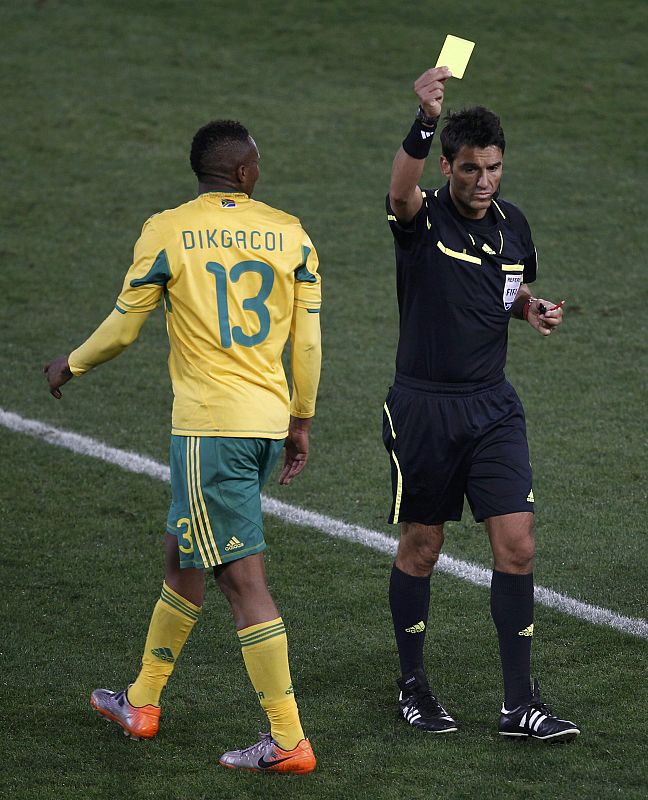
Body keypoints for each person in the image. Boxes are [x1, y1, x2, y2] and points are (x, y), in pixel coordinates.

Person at [44, 120, 322, 773]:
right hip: (260, 423)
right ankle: (141, 701)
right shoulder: (290, 232)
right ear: (245, 173)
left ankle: (288, 740)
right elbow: (306, 341)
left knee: (240, 577)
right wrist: (300, 420)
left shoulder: (167, 229)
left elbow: (123, 326)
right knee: (183, 555)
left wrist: (72, 364)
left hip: (209, 430)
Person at [382, 67, 580, 742]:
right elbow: (398, 190)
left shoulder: (513, 225)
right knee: (422, 546)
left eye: (493, 168)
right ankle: (412, 687)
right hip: (425, 409)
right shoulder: (423, 216)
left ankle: (518, 705)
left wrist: (532, 310)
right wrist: (424, 114)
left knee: (517, 545)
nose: (483, 181)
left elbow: (507, 288)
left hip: (492, 405)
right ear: (449, 166)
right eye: (470, 169)